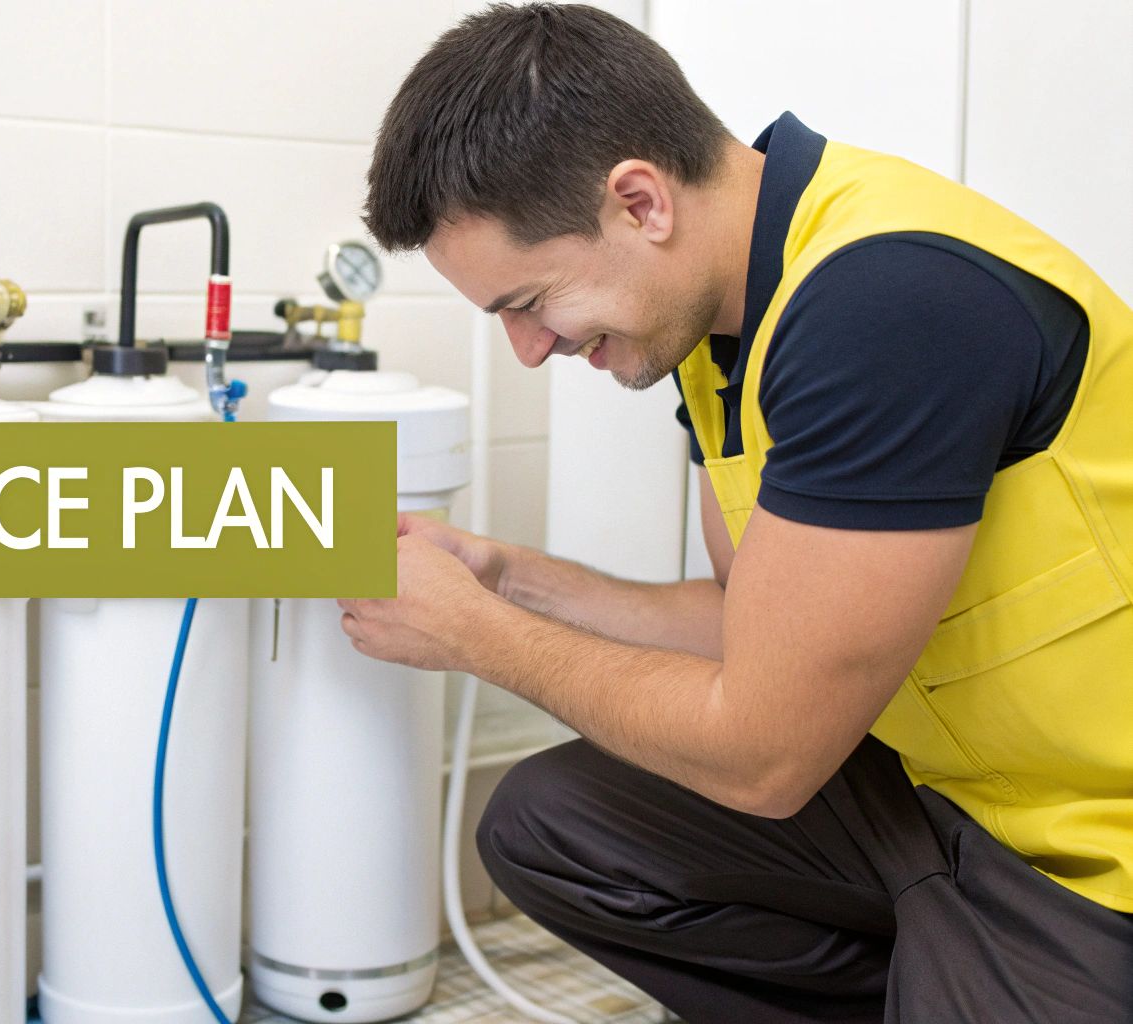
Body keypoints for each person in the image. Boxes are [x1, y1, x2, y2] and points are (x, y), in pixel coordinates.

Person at [342, 4, 1133, 1021]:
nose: (530, 349)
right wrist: (509, 577)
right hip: (939, 796)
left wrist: (477, 634)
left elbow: (763, 752)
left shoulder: (886, 301)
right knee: (550, 824)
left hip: (1091, 851)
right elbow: (756, 625)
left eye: (527, 301)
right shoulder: (722, 325)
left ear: (638, 203)